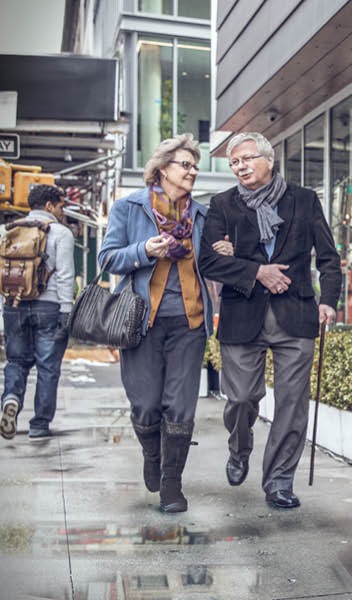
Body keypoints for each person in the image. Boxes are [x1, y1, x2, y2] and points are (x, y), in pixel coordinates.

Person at [198, 131, 341, 510]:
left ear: (269, 160)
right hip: (242, 317)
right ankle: (239, 446)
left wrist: (329, 301)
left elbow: (328, 257)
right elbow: (209, 261)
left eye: (246, 158)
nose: (240, 166)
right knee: (242, 398)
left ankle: (279, 480)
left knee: (292, 404)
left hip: (296, 316)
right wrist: (255, 271)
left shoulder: (305, 201)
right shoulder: (222, 205)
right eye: (234, 163)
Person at [97, 134, 214, 513]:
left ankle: (172, 484)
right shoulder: (129, 208)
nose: (193, 171)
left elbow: (210, 264)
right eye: (186, 164)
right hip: (141, 321)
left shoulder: (201, 215)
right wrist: (143, 251)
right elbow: (107, 258)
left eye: (195, 166)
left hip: (189, 322)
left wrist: (222, 251)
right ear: (163, 168)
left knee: (180, 406)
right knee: (146, 405)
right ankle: (152, 454)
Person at [0, 185, 75, 440]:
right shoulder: (61, 233)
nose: (62, 210)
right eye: (60, 206)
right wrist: (67, 311)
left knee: (16, 361)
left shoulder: (7, 231)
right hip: (49, 307)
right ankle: (39, 425)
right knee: (48, 367)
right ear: (49, 206)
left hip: (13, 305)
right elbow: (65, 276)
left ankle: (10, 399)